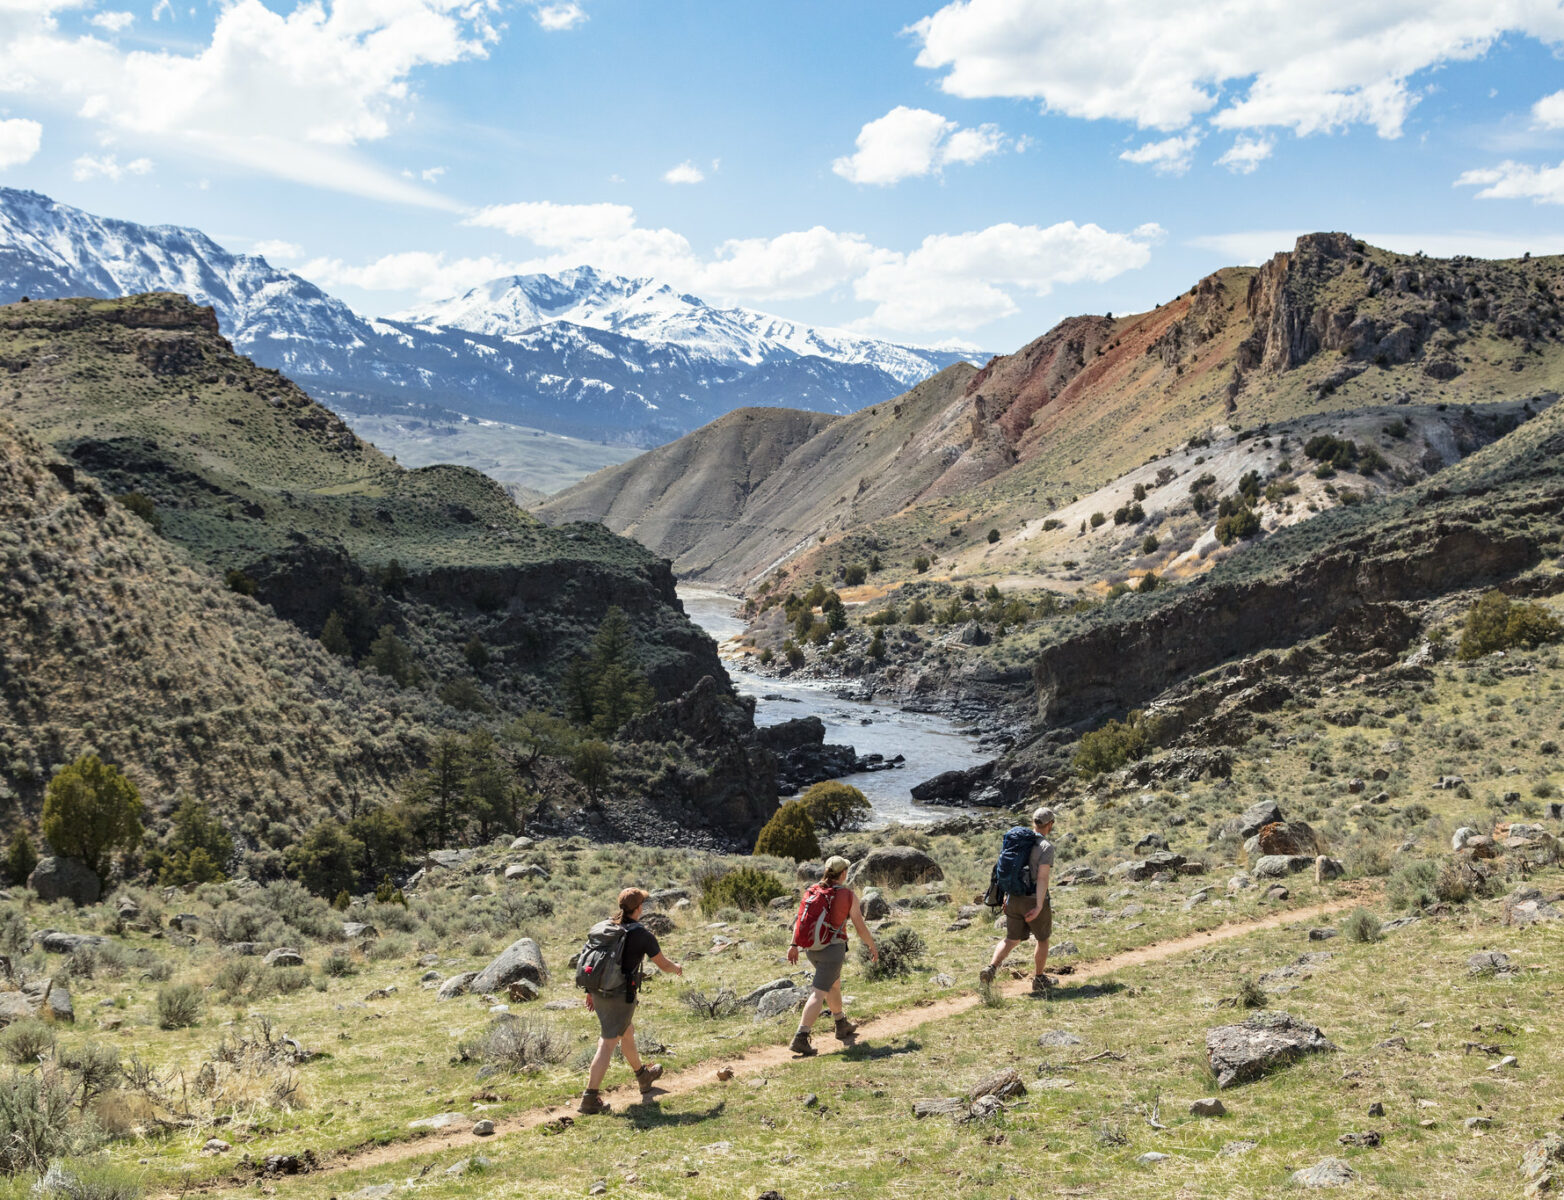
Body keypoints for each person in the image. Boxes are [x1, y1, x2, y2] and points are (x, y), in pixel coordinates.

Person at [579, 887, 683, 1114]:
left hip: (599, 990)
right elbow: (663, 964)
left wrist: (590, 990)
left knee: (626, 1031)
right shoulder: (641, 935)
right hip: (619, 995)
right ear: (638, 908)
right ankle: (589, 1098)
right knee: (607, 1043)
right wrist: (677, 969)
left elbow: (594, 960)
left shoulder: (607, 927)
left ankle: (643, 1077)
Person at [786, 855, 878, 1056]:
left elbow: (799, 919)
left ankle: (841, 1023)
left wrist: (793, 945)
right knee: (819, 993)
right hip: (833, 950)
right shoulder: (847, 895)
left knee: (833, 984)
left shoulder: (812, 890)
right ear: (843, 873)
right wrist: (872, 945)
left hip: (812, 950)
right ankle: (801, 1036)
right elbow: (859, 925)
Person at [979, 806, 1056, 995]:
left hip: (1013, 897)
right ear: (1050, 825)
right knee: (1043, 939)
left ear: (1033, 822)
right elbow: (1042, 879)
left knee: (1011, 939)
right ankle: (1039, 979)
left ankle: (991, 968)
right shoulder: (1045, 847)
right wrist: (1038, 906)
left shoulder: (1016, 841)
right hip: (1033, 899)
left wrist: (1006, 896)